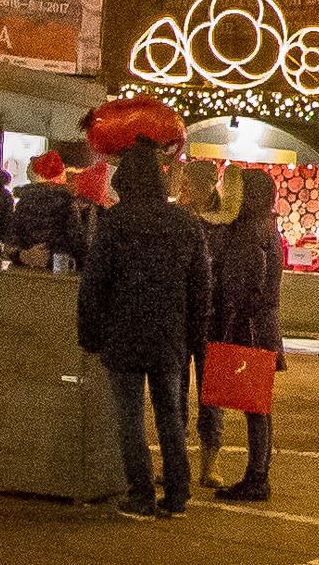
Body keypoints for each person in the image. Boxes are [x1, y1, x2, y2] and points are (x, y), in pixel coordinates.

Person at [77, 140, 212, 519]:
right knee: (171, 413)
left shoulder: (116, 223)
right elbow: (201, 285)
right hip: (170, 335)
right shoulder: (185, 223)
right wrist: (195, 336)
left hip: (124, 332)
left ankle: (141, 495)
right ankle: (178, 493)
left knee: (131, 418)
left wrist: (90, 333)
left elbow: (95, 283)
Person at [196, 165, 281, 500]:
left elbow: (245, 286)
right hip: (259, 327)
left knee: (255, 406)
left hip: (250, 329)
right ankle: (257, 475)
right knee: (256, 406)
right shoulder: (262, 228)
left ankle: (257, 477)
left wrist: (230, 320)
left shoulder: (250, 232)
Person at [10, 152, 83, 270]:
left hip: (26, 270)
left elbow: (13, 241)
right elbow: (75, 240)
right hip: (58, 268)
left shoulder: (24, 202)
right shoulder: (66, 201)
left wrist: (25, 255)